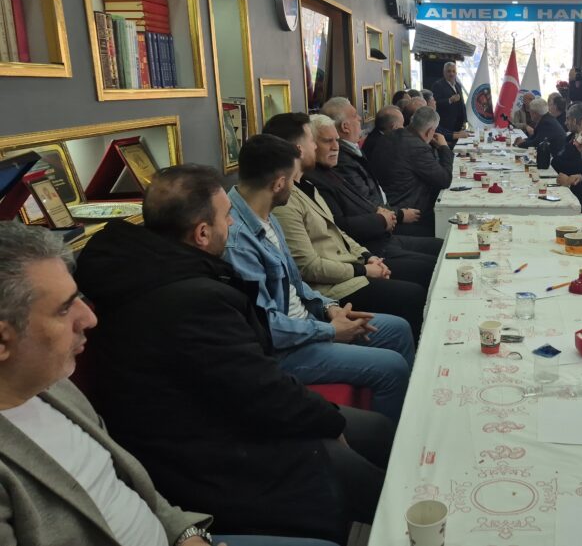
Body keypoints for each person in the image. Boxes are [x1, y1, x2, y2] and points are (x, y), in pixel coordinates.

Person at [74, 167, 394, 543]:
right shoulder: (189, 299)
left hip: (219, 414)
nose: (231, 223)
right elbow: (259, 390)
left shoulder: (156, 269)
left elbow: (247, 376)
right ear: (202, 233)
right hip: (205, 454)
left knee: (376, 430)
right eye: (226, 216)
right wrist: (328, 422)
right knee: (364, 479)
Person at [0, 221, 340, 546]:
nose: (89, 318)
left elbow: (128, 483)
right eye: (63, 310)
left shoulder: (54, 387)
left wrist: (185, 534)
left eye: (79, 299)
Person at [222, 129, 416, 423]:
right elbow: (267, 326)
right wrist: (330, 331)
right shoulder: (238, 241)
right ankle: (393, 441)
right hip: (286, 350)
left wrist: (329, 308)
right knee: (392, 367)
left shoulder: (266, 213)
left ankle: (410, 417)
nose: (295, 186)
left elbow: (295, 283)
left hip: (309, 322)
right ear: (279, 183)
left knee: (398, 329)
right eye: (293, 179)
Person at [265, 115, 427, 338]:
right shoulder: (285, 202)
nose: (318, 146)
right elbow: (308, 267)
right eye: (313, 141)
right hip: (334, 287)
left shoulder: (308, 185)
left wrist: (368, 257)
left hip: (353, 265)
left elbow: (337, 231)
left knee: (421, 277)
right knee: (413, 294)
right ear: (298, 149)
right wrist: (364, 269)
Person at [312, 105, 443, 265]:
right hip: (375, 240)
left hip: (383, 225)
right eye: (328, 141)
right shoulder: (337, 165)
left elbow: (362, 201)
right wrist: (392, 216)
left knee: (441, 246)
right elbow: (342, 225)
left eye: (336, 140)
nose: (335, 146)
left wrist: (386, 214)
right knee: (436, 262)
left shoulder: (335, 166)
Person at [373, 107, 454, 237]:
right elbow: (444, 179)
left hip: (389, 206)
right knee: (451, 224)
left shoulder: (389, 136)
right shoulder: (417, 147)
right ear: (430, 131)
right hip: (410, 215)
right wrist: (444, 148)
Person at [430, 61, 468, 143]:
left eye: (453, 71)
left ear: (456, 73)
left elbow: (462, 104)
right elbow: (435, 103)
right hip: (446, 125)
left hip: (459, 125)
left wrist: (464, 120)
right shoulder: (438, 85)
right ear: (444, 72)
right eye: (449, 71)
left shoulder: (458, 85)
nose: (451, 74)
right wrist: (449, 100)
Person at [550, 102, 582, 176]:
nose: (565, 123)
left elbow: (568, 166)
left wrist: (553, 160)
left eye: (567, 119)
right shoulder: (571, 136)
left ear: (574, 121)